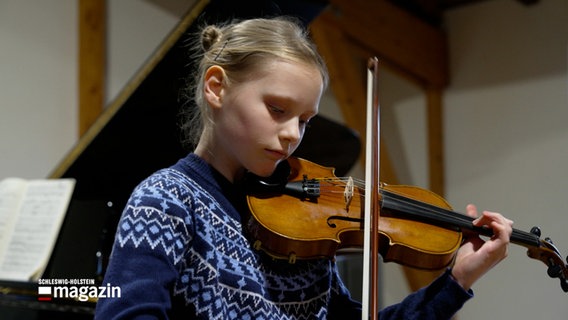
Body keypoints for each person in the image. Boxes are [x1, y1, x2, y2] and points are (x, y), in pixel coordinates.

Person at [94, 16, 513, 320]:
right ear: (217, 87)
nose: (293, 134)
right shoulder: (165, 199)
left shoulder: (300, 222)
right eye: (277, 109)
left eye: (305, 120)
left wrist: (456, 280)